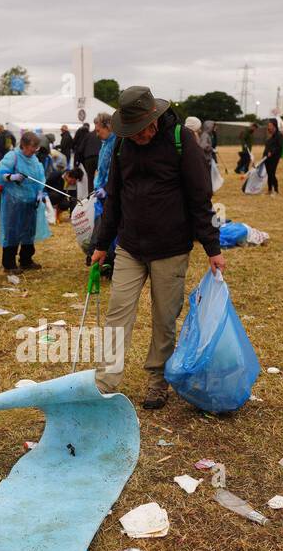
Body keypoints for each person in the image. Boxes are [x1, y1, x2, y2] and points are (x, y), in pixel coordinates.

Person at [89, 85, 221, 408]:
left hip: (171, 247)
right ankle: (105, 381)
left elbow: (200, 200)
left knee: (164, 318)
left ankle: (156, 381)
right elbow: (114, 199)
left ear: (153, 121)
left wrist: (212, 248)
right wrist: (101, 244)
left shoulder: (181, 141)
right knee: (117, 312)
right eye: (129, 132)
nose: (135, 137)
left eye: (138, 131)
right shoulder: (123, 145)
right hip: (131, 246)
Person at [0, 130, 46, 272]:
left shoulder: (34, 159)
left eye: (36, 148)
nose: (33, 151)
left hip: (30, 202)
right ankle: (9, 264)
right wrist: (12, 177)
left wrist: (40, 191)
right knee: (12, 231)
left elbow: (40, 176)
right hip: (13, 202)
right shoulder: (12, 157)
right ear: (23, 145)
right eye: (31, 148)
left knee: (28, 231)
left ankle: (26, 260)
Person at [90, 111, 118, 272]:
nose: (97, 132)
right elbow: (102, 169)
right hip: (102, 193)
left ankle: (111, 263)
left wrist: (107, 189)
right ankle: (104, 261)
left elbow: (114, 171)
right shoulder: (105, 144)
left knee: (110, 229)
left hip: (111, 193)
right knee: (102, 228)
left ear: (108, 127)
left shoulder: (116, 144)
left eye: (99, 129)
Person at [262, 117, 283, 196]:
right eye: (268, 125)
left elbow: (279, 147)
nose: (269, 127)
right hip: (267, 158)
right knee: (269, 173)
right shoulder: (270, 136)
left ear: (275, 125)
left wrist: (271, 152)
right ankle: (269, 190)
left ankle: (276, 190)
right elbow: (267, 147)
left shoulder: (279, 136)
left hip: (274, 158)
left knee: (272, 173)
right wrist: (264, 155)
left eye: (270, 125)